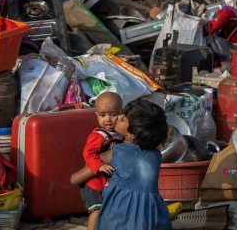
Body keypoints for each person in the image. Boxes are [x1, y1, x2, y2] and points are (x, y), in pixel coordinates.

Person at [72, 98, 171, 229]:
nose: (117, 118)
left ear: (132, 134)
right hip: (153, 218)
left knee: (96, 211)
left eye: (122, 118)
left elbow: (75, 179)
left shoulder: (116, 153)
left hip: (120, 218)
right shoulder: (156, 155)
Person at [76, 92, 124, 230]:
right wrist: (100, 166)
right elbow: (88, 153)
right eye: (103, 115)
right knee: (97, 211)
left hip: (107, 182)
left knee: (109, 211)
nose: (108, 119)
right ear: (96, 115)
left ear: (121, 114)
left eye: (113, 115)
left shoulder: (119, 135)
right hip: (93, 182)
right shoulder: (99, 135)